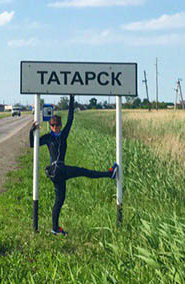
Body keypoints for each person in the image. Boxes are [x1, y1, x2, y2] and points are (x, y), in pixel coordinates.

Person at [29, 95, 118, 236]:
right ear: (50, 126)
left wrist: (71, 99)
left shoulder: (63, 135)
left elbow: (70, 119)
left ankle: (55, 228)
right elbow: (33, 144)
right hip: (57, 170)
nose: (55, 127)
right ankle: (109, 174)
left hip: (60, 172)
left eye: (57, 125)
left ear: (60, 125)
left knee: (60, 200)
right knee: (84, 171)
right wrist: (31, 131)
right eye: (53, 125)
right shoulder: (48, 137)